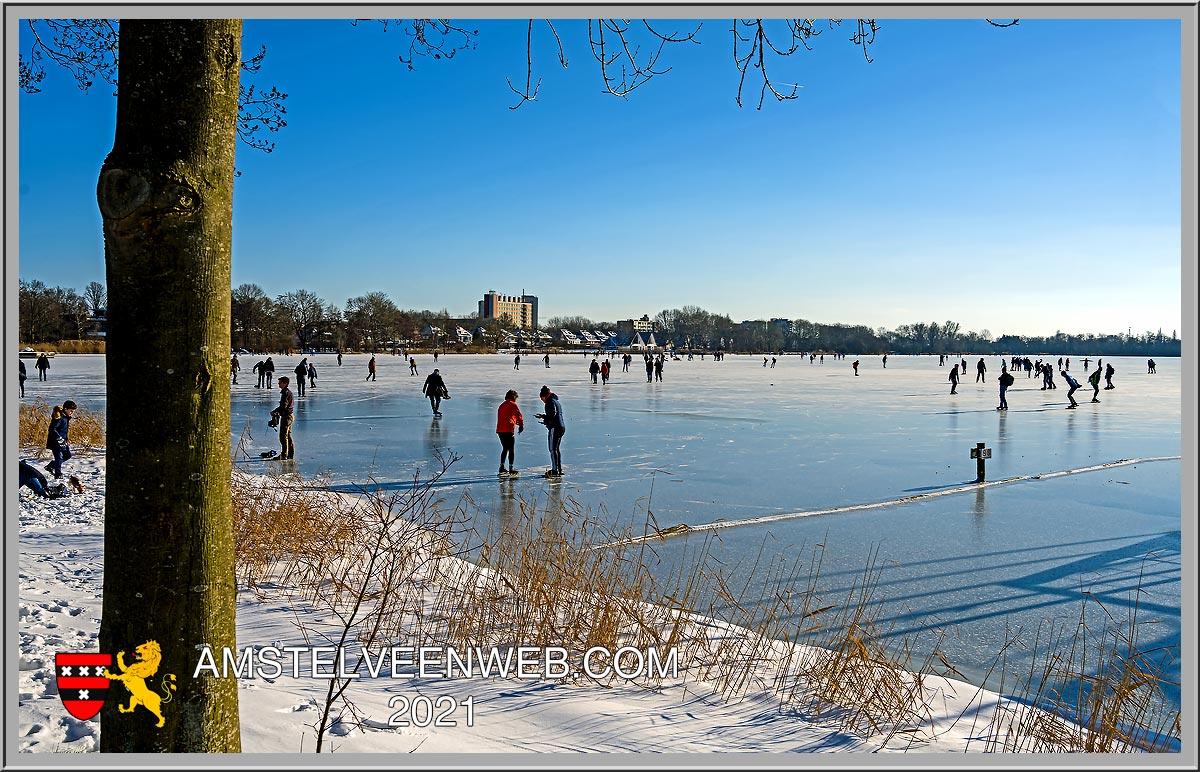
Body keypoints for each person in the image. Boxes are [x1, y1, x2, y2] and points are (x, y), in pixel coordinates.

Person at [536, 385, 565, 477]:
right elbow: (555, 414)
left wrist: (546, 419)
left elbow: (553, 414)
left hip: (555, 427)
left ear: (544, 396)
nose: (542, 401)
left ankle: (555, 470)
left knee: (552, 449)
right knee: (556, 449)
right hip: (560, 426)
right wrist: (544, 417)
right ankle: (558, 469)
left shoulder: (550, 402)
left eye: (542, 399)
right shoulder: (555, 401)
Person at [496, 389, 525, 478]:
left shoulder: (501, 405)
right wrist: (521, 425)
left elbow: (506, 416)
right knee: (511, 449)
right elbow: (518, 415)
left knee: (505, 448)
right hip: (508, 430)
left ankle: (502, 466)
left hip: (500, 430)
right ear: (514, 397)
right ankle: (511, 468)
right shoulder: (513, 405)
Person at [45, 400, 77, 478]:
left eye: (73, 411)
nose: (72, 413)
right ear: (65, 409)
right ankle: (58, 474)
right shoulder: (59, 418)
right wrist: (58, 438)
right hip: (55, 442)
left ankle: (51, 465)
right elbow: (52, 429)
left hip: (63, 441)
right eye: (71, 411)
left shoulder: (66, 417)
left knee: (67, 455)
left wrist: (65, 439)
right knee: (58, 458)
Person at [270, 376, 295, 459]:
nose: (278, 384)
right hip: (289, 416)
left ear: (285, 383)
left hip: (287, 417)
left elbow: (283, 406)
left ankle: (284, 455)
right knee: (288, 435)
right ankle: (290, 453)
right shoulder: (287, 392)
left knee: (283, 436)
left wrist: (275, 412)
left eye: (280, 382)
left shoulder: (286, 393)